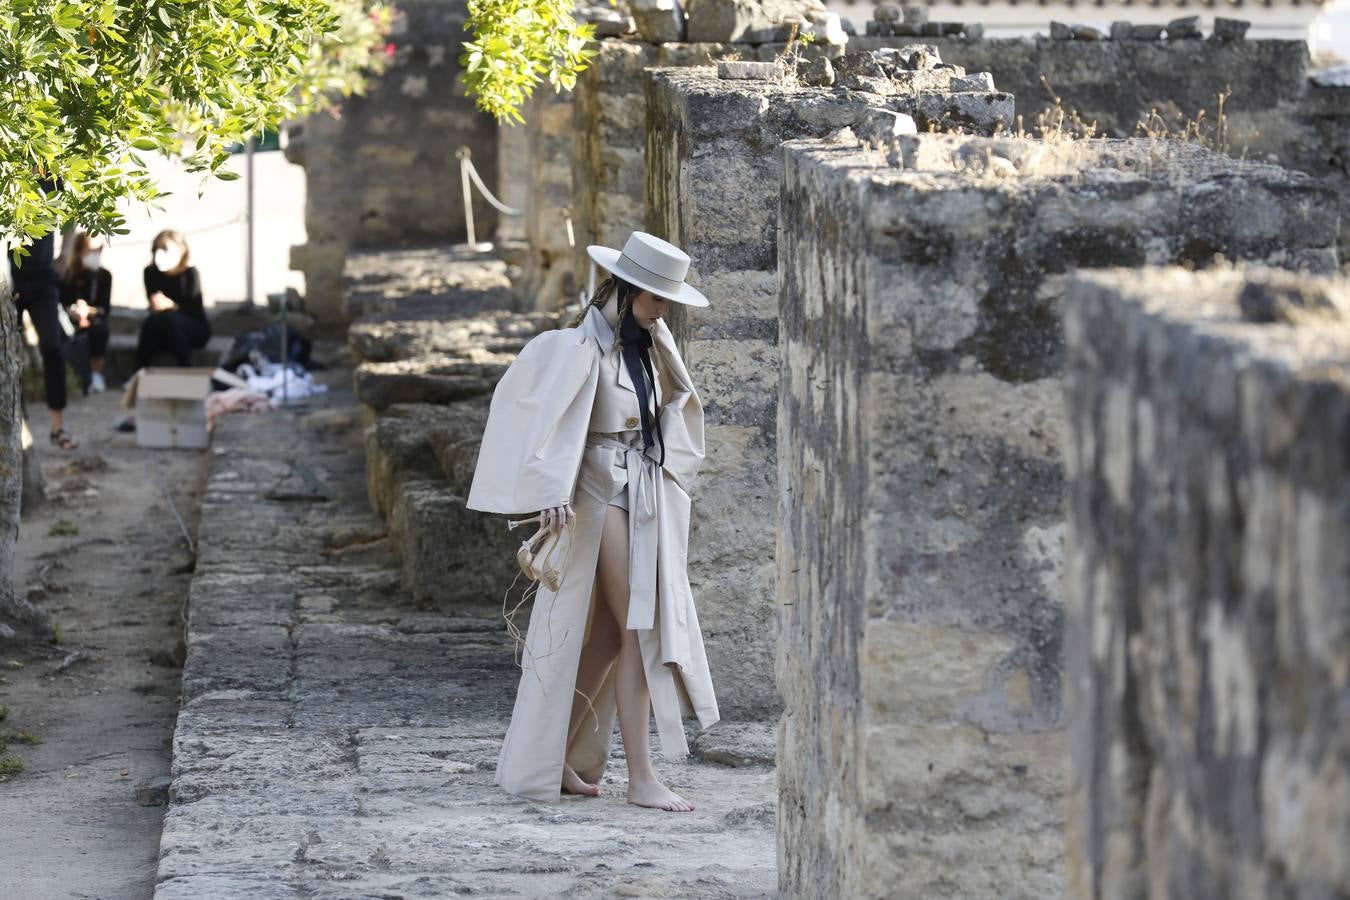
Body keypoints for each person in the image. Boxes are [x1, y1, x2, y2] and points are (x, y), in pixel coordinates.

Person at [468, 231, 718, 812]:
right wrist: (550, 488)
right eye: (657, 298)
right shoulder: (576, 347)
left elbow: (675, 407)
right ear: (628, 290)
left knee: (608, 637)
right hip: (599, 492)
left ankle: (549, 758)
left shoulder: (653, 342)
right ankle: (642, 778)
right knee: (639, 627)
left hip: (643, 489)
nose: (664, 310)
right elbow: (545, 418)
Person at [10, 228, 78, 449]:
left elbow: (71, 215)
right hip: (10, 278)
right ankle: (17, 424)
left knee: (53, 348)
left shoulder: (52, 189)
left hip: (44, 277)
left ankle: (57, 426)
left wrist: (66, 254)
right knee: (8, 354)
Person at [136, 229, 210, 370]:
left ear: (181, 250)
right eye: (157, 249)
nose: (160, 253)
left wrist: (172, 306)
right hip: (162, 327)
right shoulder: (150, 272)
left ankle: (186, 370)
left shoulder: (190, 274)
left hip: (192, 327)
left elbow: (194, 310)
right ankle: (138, 372)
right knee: (151, 322)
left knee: (170, 319)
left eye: (165, 249)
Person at [59, 231, 113, 394]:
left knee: (100, 330)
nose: (95, 255)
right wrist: (74, 311)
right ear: (80, 250)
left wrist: (88, 311)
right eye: (91, 250)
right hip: (72, 319)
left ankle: (96, 374)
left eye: (98, 251)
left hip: (94, 319)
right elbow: (61, 303)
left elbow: (104, 308)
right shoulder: (68, 275)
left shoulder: (104, 275)